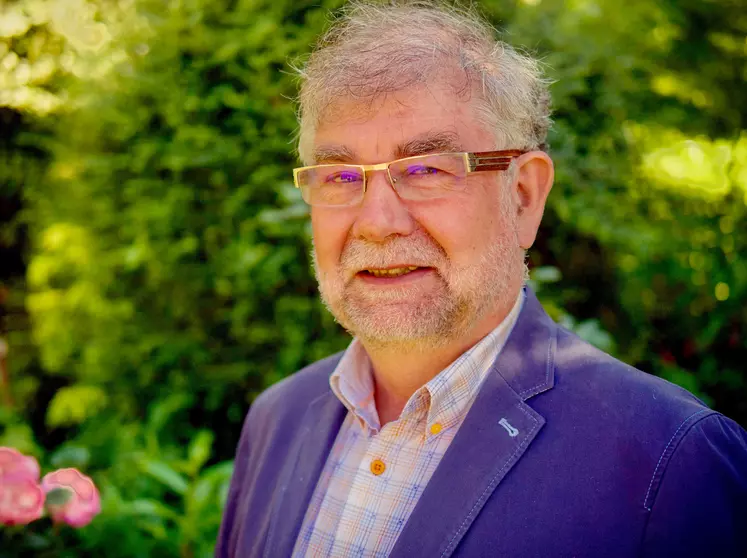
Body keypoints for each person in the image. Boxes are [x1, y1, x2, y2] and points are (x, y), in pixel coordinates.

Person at [216, 2, 747, 556]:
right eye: (341, 176)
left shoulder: (671, 461)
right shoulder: (275, 420)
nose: (376, 223)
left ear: (523, 197)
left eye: (426, 170)